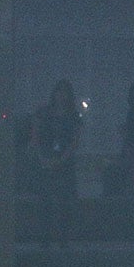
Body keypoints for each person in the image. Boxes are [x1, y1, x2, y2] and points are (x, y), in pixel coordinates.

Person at [31, 80, 83, 245]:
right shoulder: (44, 113)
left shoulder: (74, 116)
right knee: (44, 201)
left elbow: (75, 141)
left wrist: (61, 160)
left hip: (65, 163)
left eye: (65, 93)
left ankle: (64, 238)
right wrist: (42, 158)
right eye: (59, 92)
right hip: (45, 161)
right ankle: (44, 237)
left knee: (65, 202)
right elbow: (36, 136)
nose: (61, 96)